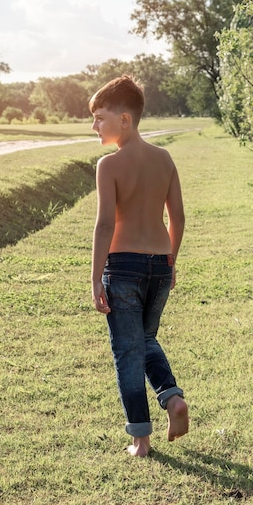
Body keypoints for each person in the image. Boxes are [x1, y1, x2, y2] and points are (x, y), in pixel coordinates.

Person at [89, 74, 188, 458]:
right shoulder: (164, 159)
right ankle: (172, 398)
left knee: (127, 351)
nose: (95, 126)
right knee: (144, 340)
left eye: (100, 117)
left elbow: (105, 225)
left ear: (125, 120)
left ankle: (140, 440)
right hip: (160, 265)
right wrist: (171, 259)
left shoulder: (108, 166)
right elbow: (177, 217)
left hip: (124, 268)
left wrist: (96, 277)